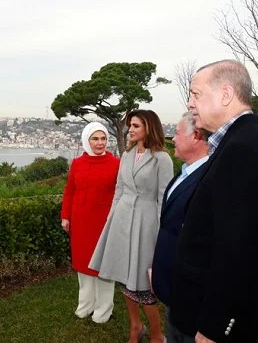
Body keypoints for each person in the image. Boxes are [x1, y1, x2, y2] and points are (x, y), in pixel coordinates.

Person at [169, 59, 258, 343]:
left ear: (226, 94)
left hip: (212, 322)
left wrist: (214, 326)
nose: (190, 103)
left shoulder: (243, 150)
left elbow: (238, 250)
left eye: (196, 94)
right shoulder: (247, 141)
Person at [89, 109, 173, 343]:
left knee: (144, 286)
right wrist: (111, 220)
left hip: (146, 224)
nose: (131, 130)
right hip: (122, 221)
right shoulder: (126, 155)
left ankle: (157, 335)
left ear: (149, 127)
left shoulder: (161, 158)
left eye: (136, 125)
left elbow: (163, 198)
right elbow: (119, 190)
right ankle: (135, 327)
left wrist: (159, 235)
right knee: (125, 280)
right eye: (130, 126)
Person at [150, 111, 209, 339]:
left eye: (176, 133)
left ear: (196, 136)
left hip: (191, 297)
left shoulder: (207, 179)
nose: (172, 138)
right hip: (173, 290)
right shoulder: (183, 173)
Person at [61, 122, 120, 323]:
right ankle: (85, 306)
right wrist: (65, 216)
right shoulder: (77, 163)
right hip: (81, 222)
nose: (100, 143)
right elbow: (70, 191)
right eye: (95, 138)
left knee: (104, 268)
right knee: (83, 265)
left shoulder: (116, 163)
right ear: (87, 140)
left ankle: (103, 311)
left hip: (104, 222)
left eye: (103, 138)